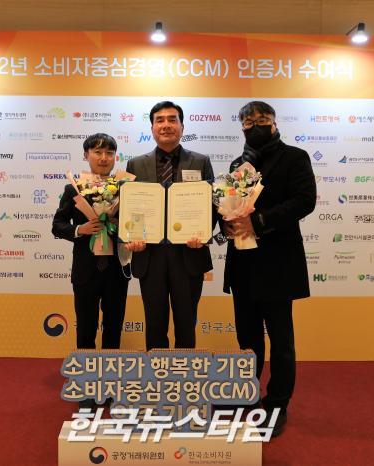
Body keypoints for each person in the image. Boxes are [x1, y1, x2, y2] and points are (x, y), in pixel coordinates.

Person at [223, 101, 316, 437]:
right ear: (242, 127)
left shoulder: (295, 157)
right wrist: (227, 222)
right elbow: (230, 204)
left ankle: (277, 403)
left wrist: (259, 221)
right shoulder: (239, 164)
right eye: (249, 122)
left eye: (262, 119)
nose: (256, 125)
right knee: (247, 338)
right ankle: (247, 393)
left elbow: (304, 200)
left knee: (281, 339)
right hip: (243, 262)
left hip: (278, 261)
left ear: (275, 123)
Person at [124, 101, 214, 350]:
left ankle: (186, 371)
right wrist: (133, 236)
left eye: (172, 120)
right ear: (152, 128)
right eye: (160, 120)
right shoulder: (135, 164)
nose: (166, 125)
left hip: (189, 253)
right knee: (154, 322)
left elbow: (212, 205)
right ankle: (157, 371)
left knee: (186, 322)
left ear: (182, 127)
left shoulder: (200, 161)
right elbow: (132, 206)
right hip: (149, 255)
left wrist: (203, 234)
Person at [52, 133, 130, 409]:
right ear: (86, 155)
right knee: (85, 328)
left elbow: (136, 223)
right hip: (85, 270)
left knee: (113, 329)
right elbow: (57, 225)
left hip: (117, 269)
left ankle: (109, 384)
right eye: (97, 152)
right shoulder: (73, 188)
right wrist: (80, 229)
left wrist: (123, 228)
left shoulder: (125, 189)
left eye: (109, 152)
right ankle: (86, 387)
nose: (103, 158)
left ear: (115, 157)